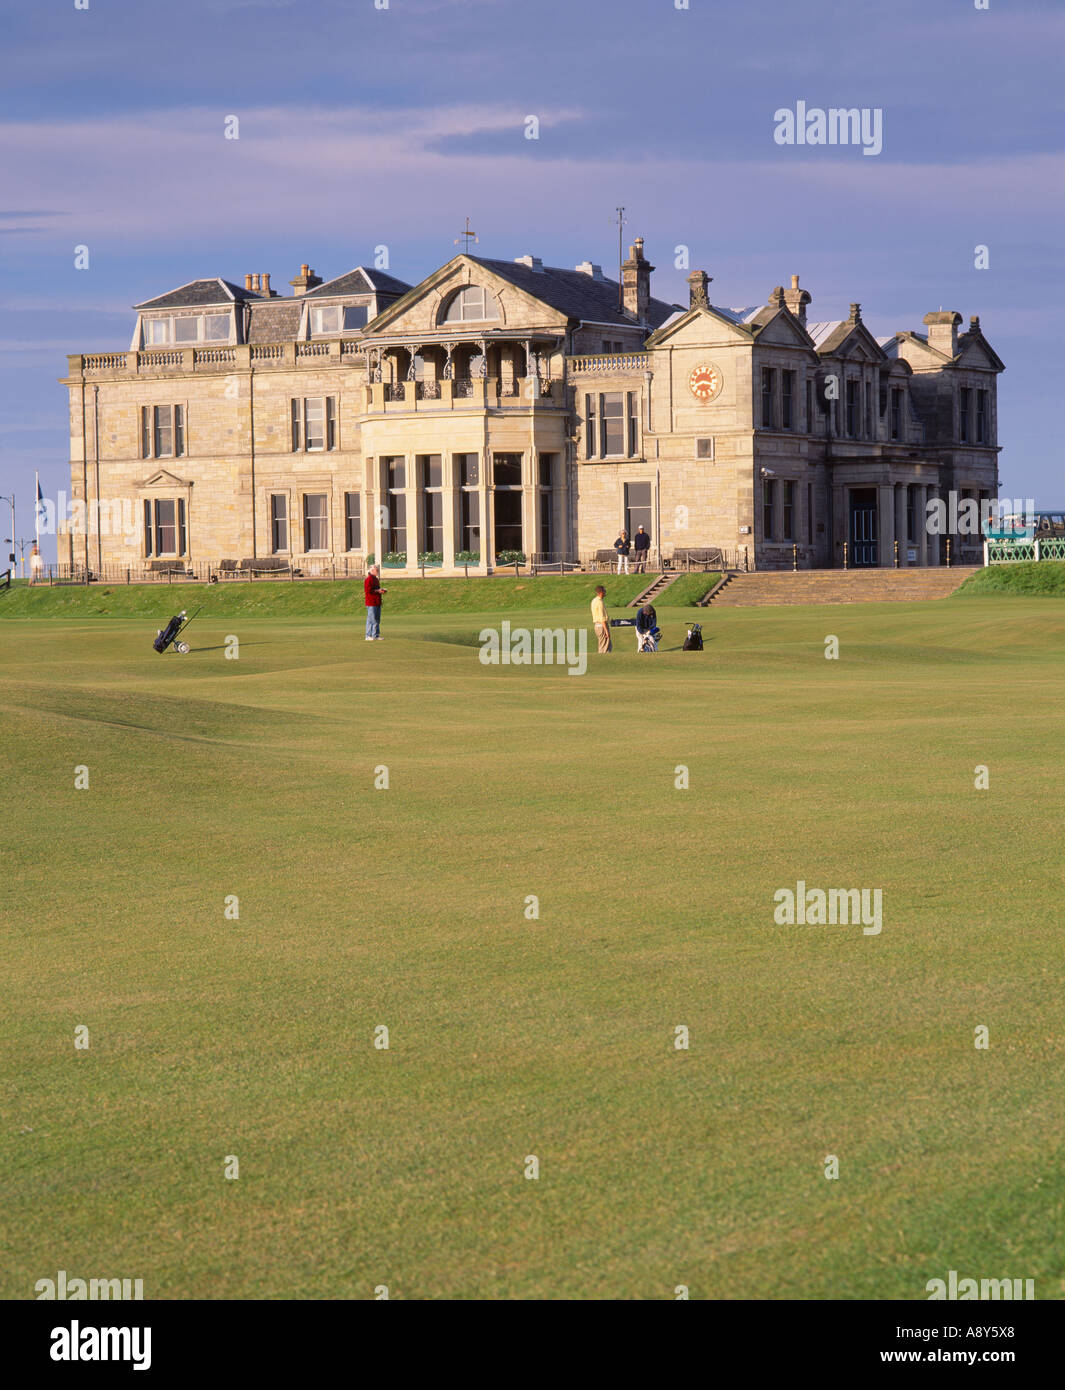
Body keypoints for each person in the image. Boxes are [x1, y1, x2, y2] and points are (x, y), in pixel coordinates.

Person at [364, 564, 387, 640]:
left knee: (377, 619)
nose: (378, 572)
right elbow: (368, 591)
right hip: (371, 603)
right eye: (376, 570)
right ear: (372, 571)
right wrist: (378, 591)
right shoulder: (368, 579)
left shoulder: (376, 579)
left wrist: (382, 590)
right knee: (371, 619)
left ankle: (375, 635)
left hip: (377, 602)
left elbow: (377, 589)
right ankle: (368, 635)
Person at [591, 584, 612, 653]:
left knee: (603, 645)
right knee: (605, 647)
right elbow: (602, 618)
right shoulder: (599, 602)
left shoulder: (594, 600)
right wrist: (606, 631)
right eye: (604, 590)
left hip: (597, 626)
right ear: (601, 592)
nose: (605, 592)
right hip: (602, 626)